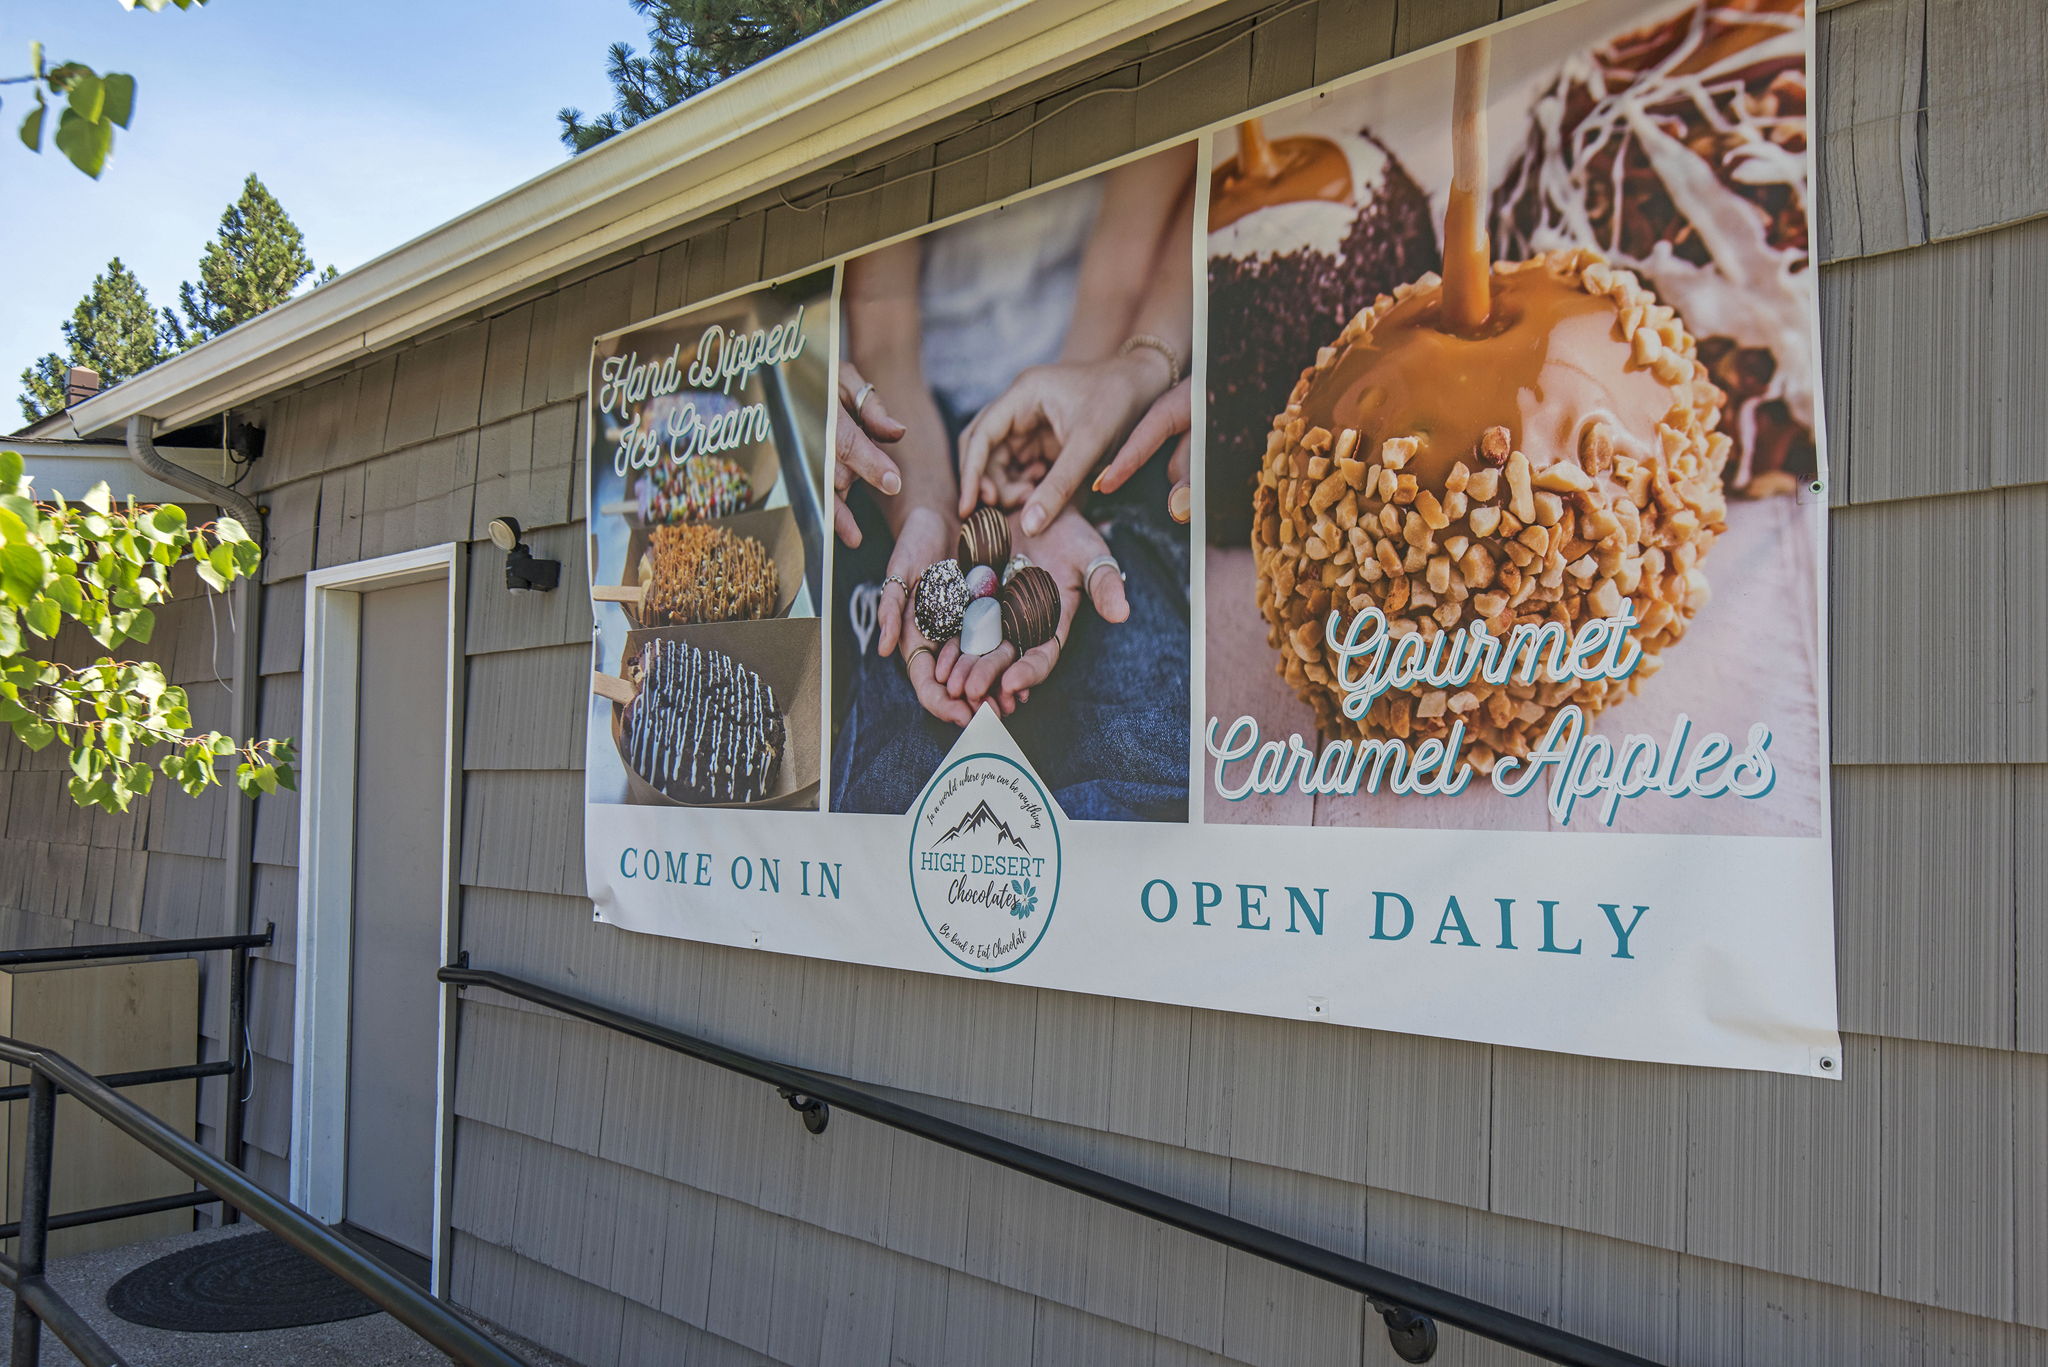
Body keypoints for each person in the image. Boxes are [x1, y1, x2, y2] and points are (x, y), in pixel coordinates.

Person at [829, 149, 1196, 820]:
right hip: (921, 436)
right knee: (903, 793)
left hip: (1095, 404)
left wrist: (1061, 485)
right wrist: (927, 509)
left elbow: (1119, 273)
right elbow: (882, 335)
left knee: (1141, 753)